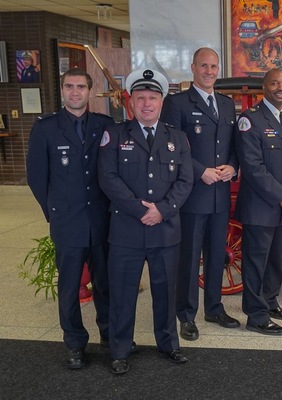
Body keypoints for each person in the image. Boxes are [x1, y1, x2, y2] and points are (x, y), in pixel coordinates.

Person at [98, 69, 194, 375]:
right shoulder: (115, 135)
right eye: (140, 98)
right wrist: (139, 210)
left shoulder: (177, 138)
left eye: (153, 98)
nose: (147, 104)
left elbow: (185, 180)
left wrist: (162, 210)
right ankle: (120, 349)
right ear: (131, 102)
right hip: (126, 230)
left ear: (161, 102)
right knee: (123, 292)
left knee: (165, 291)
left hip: (165, 230)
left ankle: (168, 344)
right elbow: (108, 178)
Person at [26, 68, 113, 369]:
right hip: (67, 222)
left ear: (90, 91)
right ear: (62, 90)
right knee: (69, 286)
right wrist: (54, 211)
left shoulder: (104, 125)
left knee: (105, 283)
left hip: (100, 219)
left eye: (81, 87)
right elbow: (37, 178)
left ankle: (109, 334)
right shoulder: (46, 128)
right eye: (69, 86)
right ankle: (75, 343)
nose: (75, 92)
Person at [161, 47, 240, 341]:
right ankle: (186, 315)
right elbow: (170, 147)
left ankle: (214, 308)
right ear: (193, 67)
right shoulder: (177, 103)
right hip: (192, 194)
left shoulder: (227, 104)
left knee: (217, 255)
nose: (209, 71)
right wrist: (199, 171)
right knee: (190, 257)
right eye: (204, 66)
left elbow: (234, 145)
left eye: (213, 66)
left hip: (220, 194)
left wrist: (232, 166)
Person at [235, 69, 282, 336]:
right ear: (264, 87)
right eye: (274, 83)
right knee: (256, 263)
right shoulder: (250, 119)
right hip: (260, 206)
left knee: (275, 259)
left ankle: (270, 302)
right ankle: (256, 315)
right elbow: (253, 167)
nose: (281, 88)